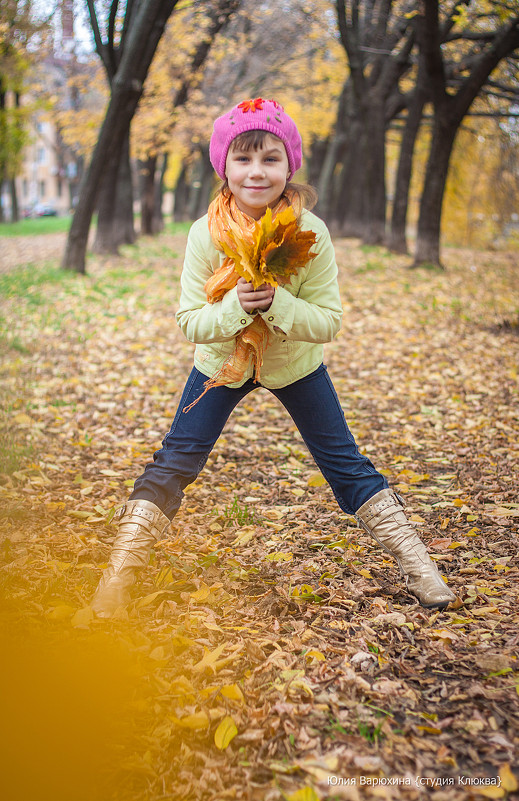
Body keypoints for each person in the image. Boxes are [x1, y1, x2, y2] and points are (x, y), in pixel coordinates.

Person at [91, 98, 455, 618]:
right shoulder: (205, 234)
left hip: (295, 365)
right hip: (220, 365)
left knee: (346, 465)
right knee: (174, 461)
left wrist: (279, 303)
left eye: (270, 159)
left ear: (290, 166)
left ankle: (423, 571)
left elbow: (328, 321)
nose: (256, 172)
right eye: (243, 159)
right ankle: (116, 582)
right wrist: (236, 310)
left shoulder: (311, 233)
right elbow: (189, 319)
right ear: (224, 166)